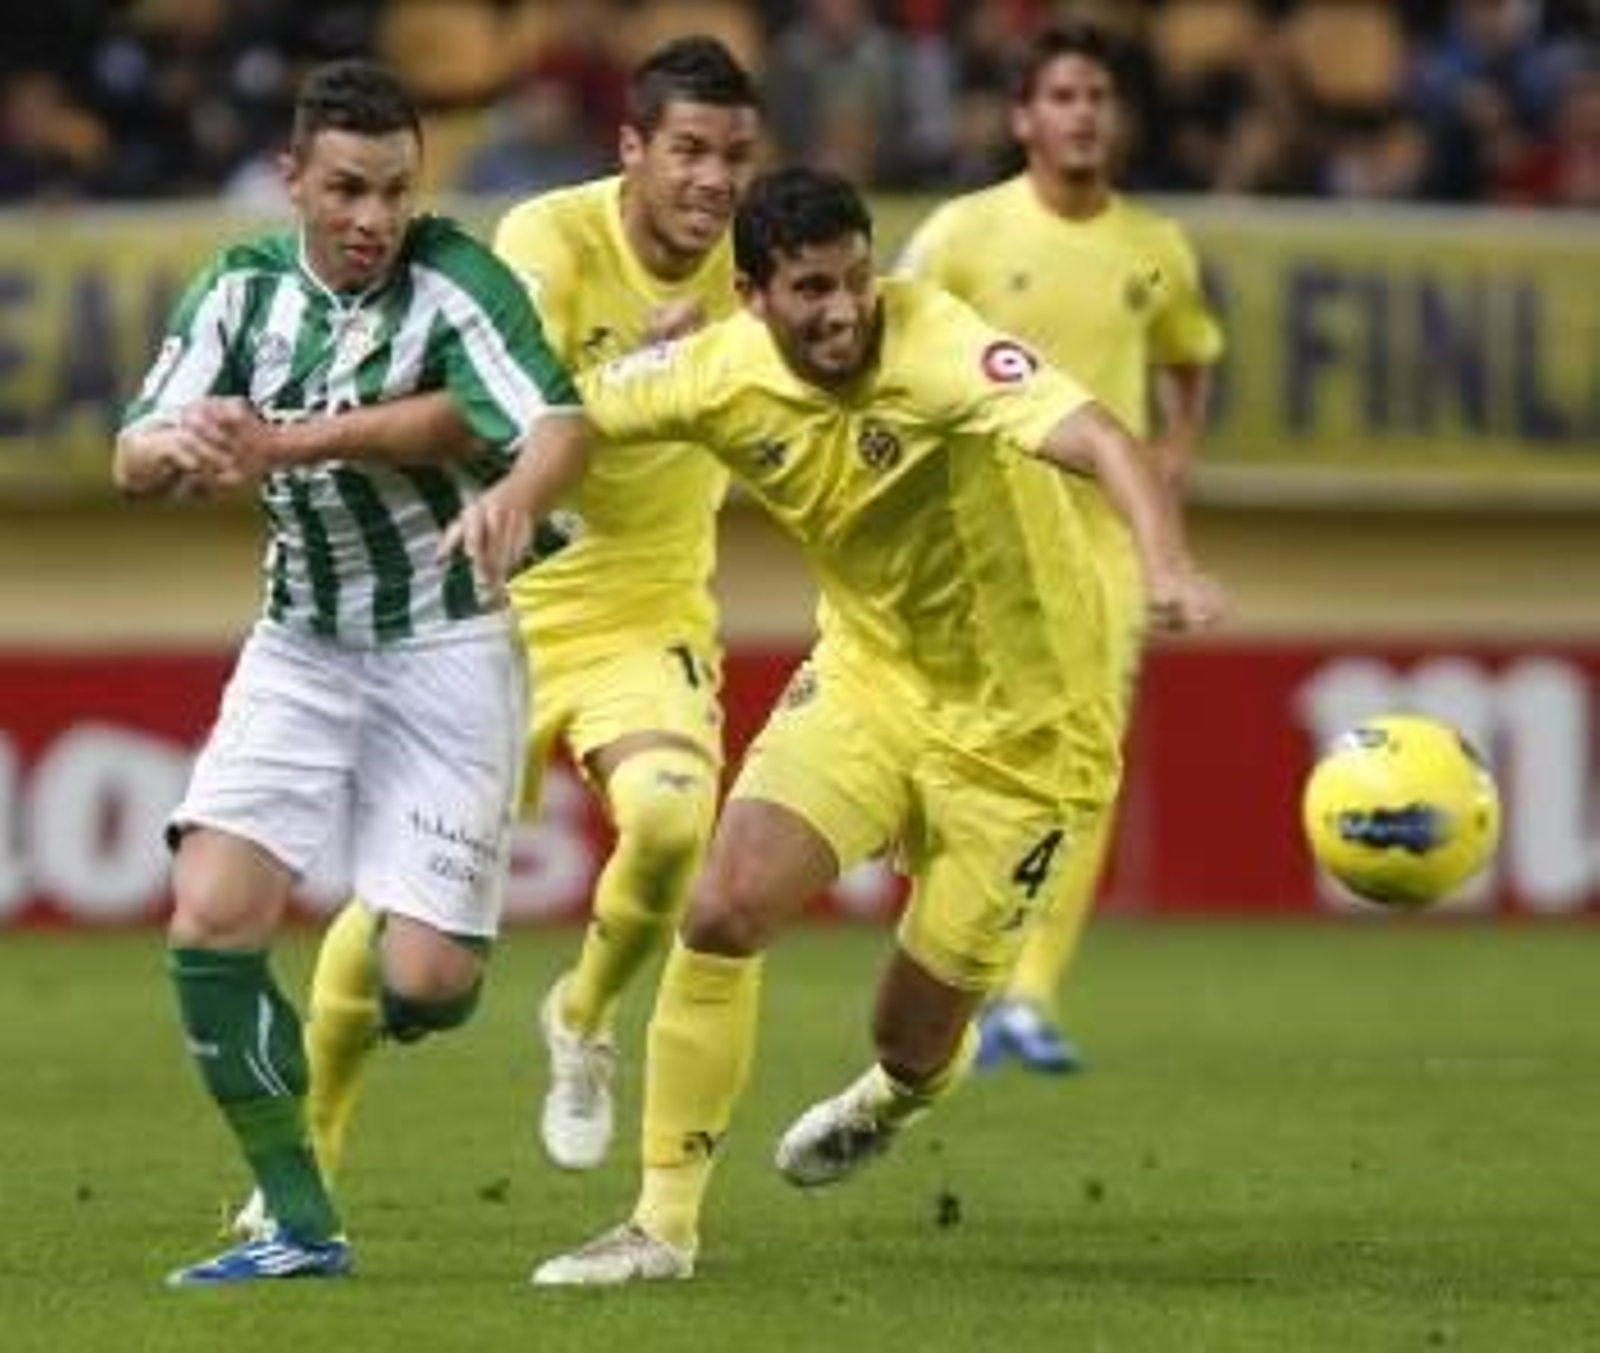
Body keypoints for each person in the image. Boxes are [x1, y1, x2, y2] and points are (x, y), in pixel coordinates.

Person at [528, 166, 1225, 1286]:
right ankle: (661, 1227)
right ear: (751, 293)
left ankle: (897, 1096)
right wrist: (501, 497)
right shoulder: (712, 371)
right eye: (811, 289)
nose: (844, 309)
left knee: (910, 1033)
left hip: (1029, 731)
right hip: (869, 683)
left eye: (854, 280)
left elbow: (1099, 436)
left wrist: (1167, 561)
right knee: (721, 905)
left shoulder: (936, 342)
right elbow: (563, 405)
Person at [115, 58, 588, 1287]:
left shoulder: (457, 278)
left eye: (392, 190)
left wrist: (516, 501)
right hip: (299, 647)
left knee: (426, 985)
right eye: (345, 190)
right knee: (210, 921)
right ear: (292, 181)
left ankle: (418, 970)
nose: (372, 217)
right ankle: (299, 1221)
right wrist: (185, 448)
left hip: (445, 645)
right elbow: (134, 451)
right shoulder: (239, 288)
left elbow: (555, 426)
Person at [285, 35, 760, 1196]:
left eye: (734, 157)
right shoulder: (550, 238)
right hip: (499, 611)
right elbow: (513, 402)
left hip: (649, 614)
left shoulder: (758, 268)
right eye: (687, 151)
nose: (712, 180)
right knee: (399, 910)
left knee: (666, 824)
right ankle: (306, 1160)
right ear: (632, 150)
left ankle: (580, 1016)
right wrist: (647, 376)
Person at [899, 22, 1225, 1075]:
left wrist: (1170, 456)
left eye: (1097, 94)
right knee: (960, 763)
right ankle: (964, 965)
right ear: (1022, 118)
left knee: (1086, 768)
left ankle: (1028, 998)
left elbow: (1189, 359)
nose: (1083, 111)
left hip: (1101, 543)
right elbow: (887, 340)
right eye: (1063, 95)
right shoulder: (962, 233)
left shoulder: (1155, 250)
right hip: (978, 536)